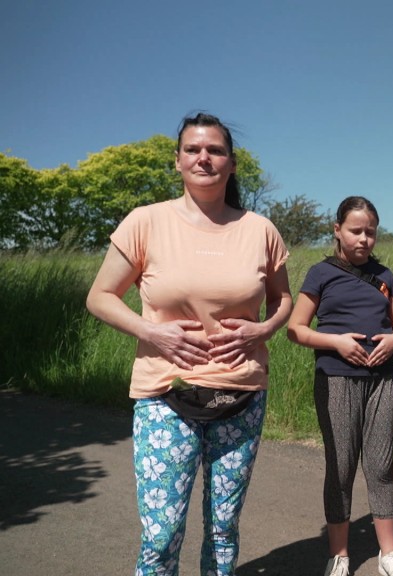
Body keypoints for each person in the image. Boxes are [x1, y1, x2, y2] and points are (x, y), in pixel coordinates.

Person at [86, 112, 292, 575]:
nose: (204, 158)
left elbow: (283, 300)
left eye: (215, 150)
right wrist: (150, 330)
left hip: (241, 393)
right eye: (193, 149)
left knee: (223, 530)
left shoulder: (261, 230)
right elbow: (99, 297)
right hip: (164, 393)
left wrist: (263, 330)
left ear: (232, 163)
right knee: (161, 534)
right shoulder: (145, 222)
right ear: (177, 161)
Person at [287, 196, 393, 576]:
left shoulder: (384, 277)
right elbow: (296, 329)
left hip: (382, 380)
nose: (363, 239)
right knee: (341, 467)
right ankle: (339, 554)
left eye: (370, 232)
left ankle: (389, 553)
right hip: (337, 380)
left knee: (380, 464)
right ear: (337, 231)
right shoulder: (320, 274)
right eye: (355, 231)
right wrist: (338, 342)